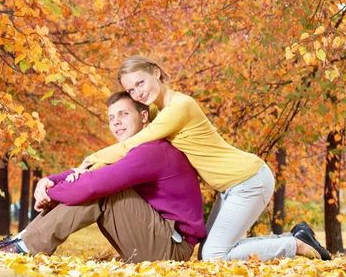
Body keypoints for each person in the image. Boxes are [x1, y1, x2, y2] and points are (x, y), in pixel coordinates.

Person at [74, 55, 331, 262]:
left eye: (140, 83)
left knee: (214, 255)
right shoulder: (158, 109)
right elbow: (132, 134)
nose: (137, 93)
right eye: (130, 89)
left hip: (248, 180)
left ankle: (294, 245)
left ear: (156, 72)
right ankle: (296, 237)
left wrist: (92, 158)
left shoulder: (179, 108)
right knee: (210, 250)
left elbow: (134, 142)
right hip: (231, 186)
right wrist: (99, 165)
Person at [0, 92, 206, 262]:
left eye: (123, 114)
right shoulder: (131, 150)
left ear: (144, 117)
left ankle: (22, 247)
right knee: (93, 186)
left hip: (173, 249)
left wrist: (51, 194)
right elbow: (92, 169)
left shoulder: (152, 150)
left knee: (103, 192)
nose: (116, 122)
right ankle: (21, 243)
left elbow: (94, 185)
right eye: (112, 118)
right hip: (158, 240)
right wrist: (49, 180)